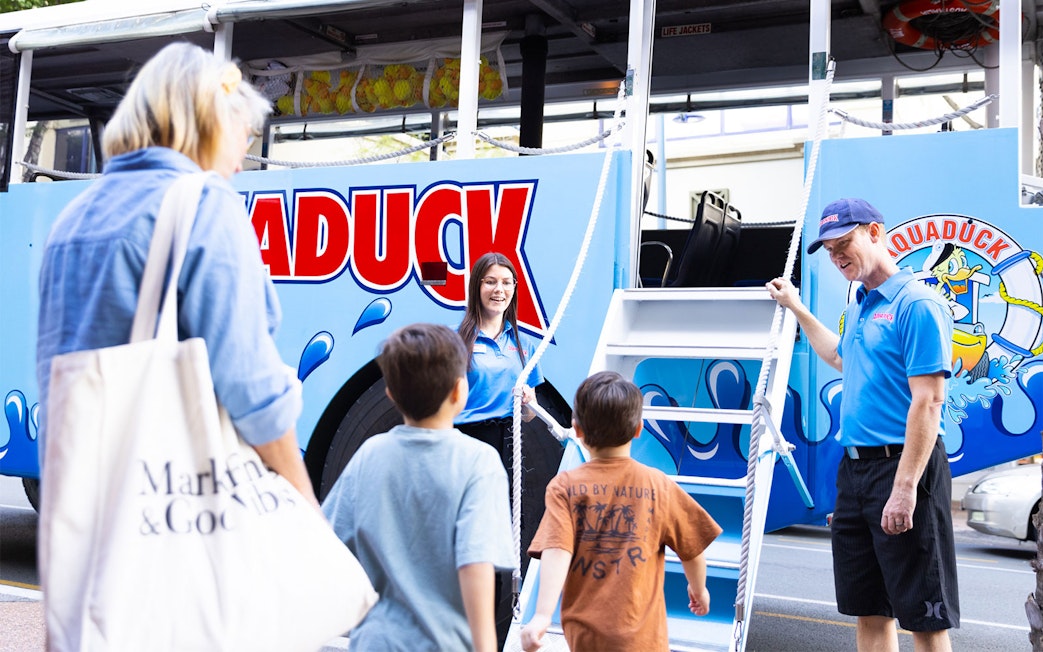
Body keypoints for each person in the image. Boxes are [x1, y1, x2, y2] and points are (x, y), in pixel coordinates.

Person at [35, 43, 316, 504]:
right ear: (207, 124)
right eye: (243, 133)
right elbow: (252, 391)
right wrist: (308, 512)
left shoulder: (73, 216)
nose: (242, 159)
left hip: (84, 506)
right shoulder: (205, 204)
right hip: (174, 510)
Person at [765, 197, 958, 651]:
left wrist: (904, 488)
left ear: (875, 232)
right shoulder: (861, 305)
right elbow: (839, 356)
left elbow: (929, 402)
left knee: (924, 616)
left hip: (904, 469)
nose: (836, 257)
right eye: (829, 250)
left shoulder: (917, 304)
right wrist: (795, 306)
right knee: (868, 608)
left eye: (844, 243)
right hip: (856, 471)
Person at [322, 323, 515, 652]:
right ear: (460, 391)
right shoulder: (479, 462)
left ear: (391, 394)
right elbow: (475, 565)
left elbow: (328, 547)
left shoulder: (369, 455)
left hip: (374, 642)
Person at [520, 371, 722, 652]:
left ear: (576, 429)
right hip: (644, 637)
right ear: (639, 429)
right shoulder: (658, 484)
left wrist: (542, 616)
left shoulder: (564, 487)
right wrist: (699, 590)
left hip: (585, 634)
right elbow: (693, 549)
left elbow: (557, 551)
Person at [455, 251, 563, 649]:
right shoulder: (458, 341)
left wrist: (530, 406)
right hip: (467, 443)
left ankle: (494, 629)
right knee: (467, 536)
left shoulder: (523, 344)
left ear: (514, 289)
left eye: (505, 282)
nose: (498, 290)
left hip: (507, 443)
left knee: (500, 538)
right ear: (477, 288)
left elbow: (531, 414)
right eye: (489, 282)